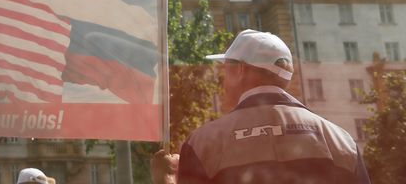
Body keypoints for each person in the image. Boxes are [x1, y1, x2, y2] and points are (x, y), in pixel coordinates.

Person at [151, 29, 370, 184]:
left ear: (240, 71)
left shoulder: (203, 144)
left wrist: (168, 181)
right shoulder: (340, 141)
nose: (222, 81)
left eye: (225, 70)